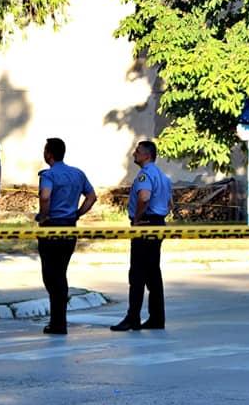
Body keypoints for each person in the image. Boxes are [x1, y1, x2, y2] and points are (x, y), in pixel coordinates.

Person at [35, 138, 96, 335]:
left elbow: (45, 196)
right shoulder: (78, 174)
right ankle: (59, 320)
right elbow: (92, 196)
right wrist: (78, 213)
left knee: (50, 275)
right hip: (70, 227)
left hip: (51, 227)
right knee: (61, 272)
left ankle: (58, 322)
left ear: (49, 154)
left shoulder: (49, 175)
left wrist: (44, 217)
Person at [111, 141, 172, 331]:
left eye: (137, 152)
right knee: (153, 273)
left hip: (145, 224)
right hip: (158, 224)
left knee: (137, 273)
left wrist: (137, 220)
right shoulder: (163, 176)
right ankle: (156, 318)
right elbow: (170, 204)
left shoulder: (145, 175)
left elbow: (144, 198)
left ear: (147, 155)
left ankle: (133, 318)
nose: (133, 154)